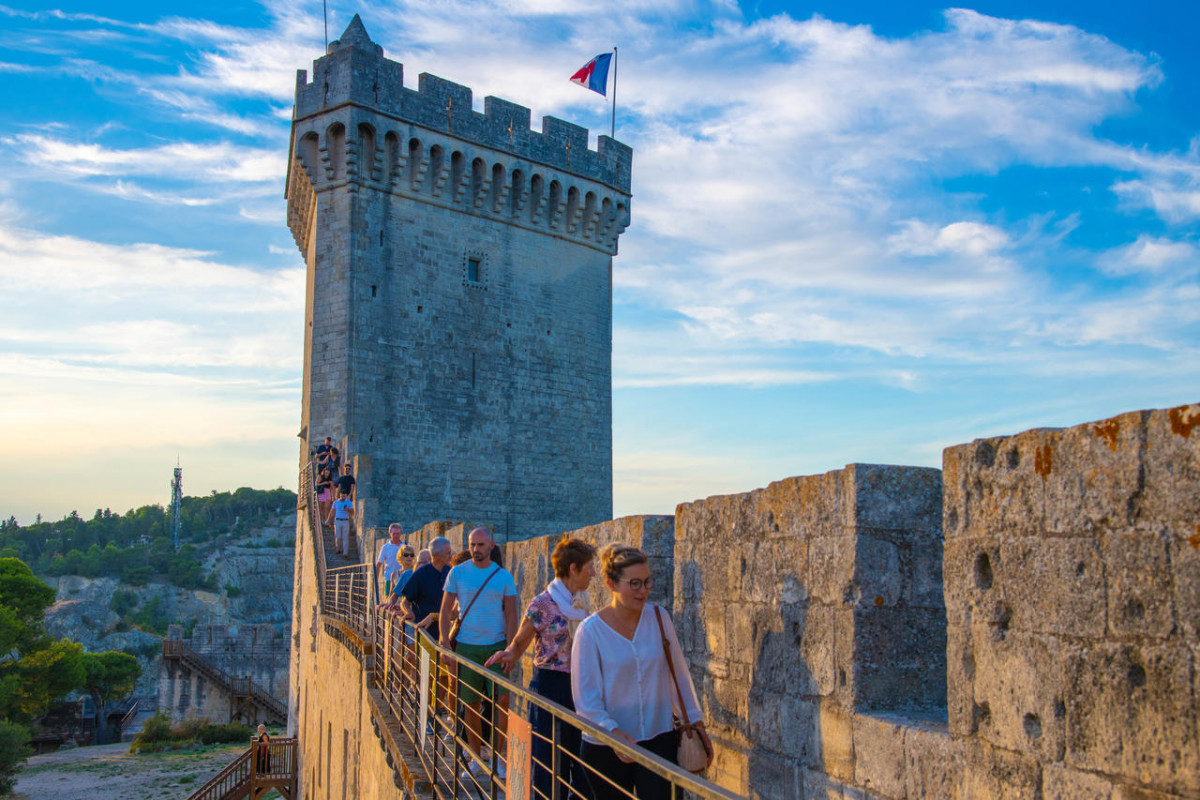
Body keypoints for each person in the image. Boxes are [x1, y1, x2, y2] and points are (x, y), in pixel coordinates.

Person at [571, 544, 713, 799]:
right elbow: (586, 698)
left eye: (647, 582)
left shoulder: (659, 618)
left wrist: (694, 720)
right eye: (634, 583)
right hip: (606, 745)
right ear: (610, 583)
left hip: (659, 737)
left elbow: (678, 675)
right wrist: (612, 732)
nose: (643, 591)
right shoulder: (590, 631)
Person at [487, 537, 596, 800]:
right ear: (573, 568)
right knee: (548, 762)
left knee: (583, 760)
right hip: (550, 686)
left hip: (579, 688)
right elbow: (521, 640)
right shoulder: (543, 604)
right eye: (589, 567)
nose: (594, 573)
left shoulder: (582, 602)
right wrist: (509, 654)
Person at [440, 527, 517, 782]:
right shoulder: (458, 573)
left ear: (491, 546)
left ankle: (496, 757)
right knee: (470, 702)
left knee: (502, 702)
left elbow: (511, 614)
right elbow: (445, 609)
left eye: (481, 545)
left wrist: (511, 649)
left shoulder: (503, 576)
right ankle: (475, 757)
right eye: (473, 544)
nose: (476, 549)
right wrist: (445, 643)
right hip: (467, 646)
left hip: (496, 645)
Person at [376, 524, 405, 596]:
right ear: (390, 534)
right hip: (389, 578)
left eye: (398, 533)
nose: (396, 535)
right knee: (389, 600)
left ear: (401, 534)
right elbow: (379, 564)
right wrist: (375, 580)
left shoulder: (405, 546)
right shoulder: (385, 547)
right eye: (394, 533)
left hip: (402, 578)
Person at [325, 490, 354, 556]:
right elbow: (332, 511)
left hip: (345, 521)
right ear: (339, 495)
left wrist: (347, 510)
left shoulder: (349, 503)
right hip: (337, 521)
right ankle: (338, 548)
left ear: (346, 496)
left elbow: (352, 512)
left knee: (345, 537)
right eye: (342, 496)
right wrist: (328, 520)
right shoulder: (336, 502)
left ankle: (345, 553)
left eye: (344, 495)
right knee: (338, 536)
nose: (343, 497)